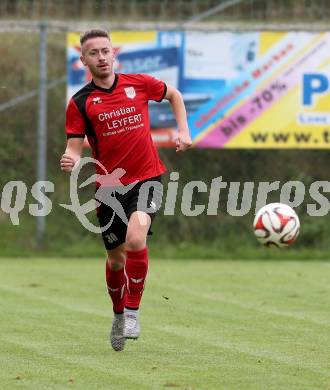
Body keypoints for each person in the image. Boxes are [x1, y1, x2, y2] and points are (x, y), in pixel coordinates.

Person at [60, 29, 191, 352]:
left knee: (136, 237)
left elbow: (174, 95)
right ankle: (119, 315)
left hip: (147, 177)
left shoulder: (140, 83)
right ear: (84, 60)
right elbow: (75, 147)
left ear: (113, 54)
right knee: (116, 261)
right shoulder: (80, 102)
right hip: (109, 188)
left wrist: (183, 131)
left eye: (106, 50)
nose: (102, 57)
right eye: (94, 53)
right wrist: (71, 158)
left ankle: (132, 312)